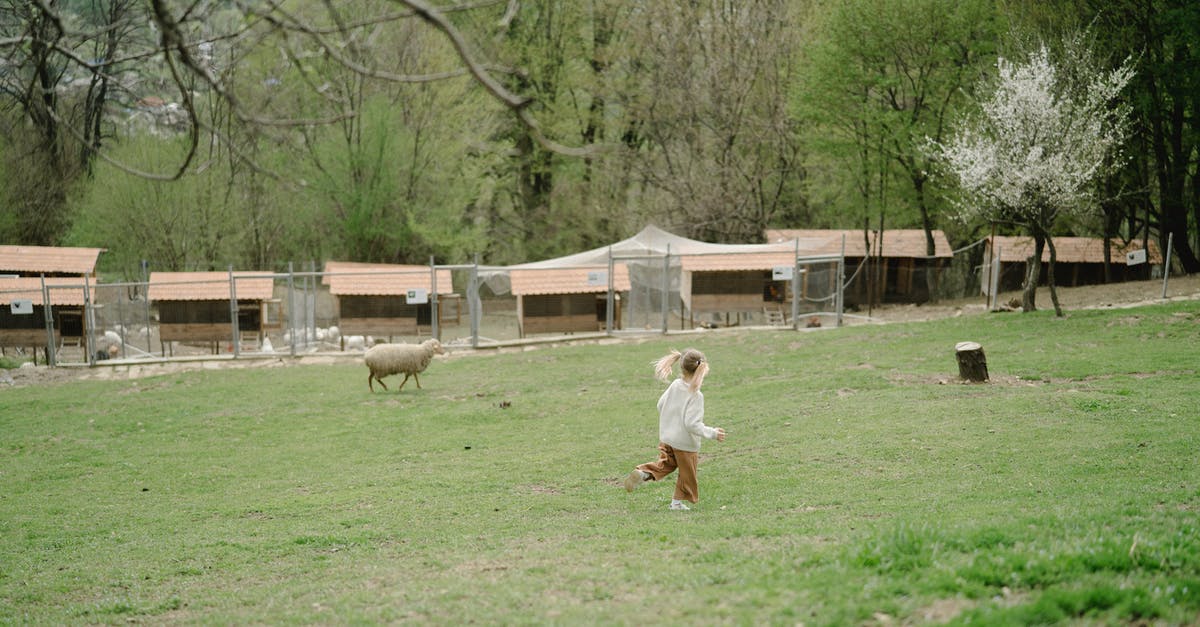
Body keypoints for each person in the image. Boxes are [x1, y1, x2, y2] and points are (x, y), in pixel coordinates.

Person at [623, 348, 726, 510]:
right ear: (702, 370)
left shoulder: (675, 385)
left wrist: (670, 420)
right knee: (688, 475)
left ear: (682, 367)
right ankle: (676, 503)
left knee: (666, 465)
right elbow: (692, 424)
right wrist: (712, 433)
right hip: (685, 444)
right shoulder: (696, 396)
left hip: (667, 438)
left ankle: (643, 472)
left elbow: (660, 405)